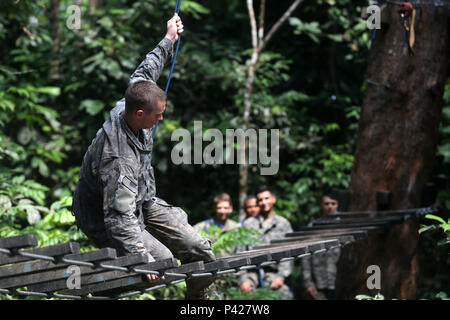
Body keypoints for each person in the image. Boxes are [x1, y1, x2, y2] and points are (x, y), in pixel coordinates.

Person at [71, 14, 216, 300]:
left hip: (142, 201)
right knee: (160, 264)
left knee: (199, 248)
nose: (162, 118)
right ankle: (102, 291)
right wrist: (140, 257)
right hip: (105, 216)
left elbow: (146, 72)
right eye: (158, 115)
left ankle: (198, 299)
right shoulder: (118, 159)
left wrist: (169, 38)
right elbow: (118, 216)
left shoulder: (134, 99)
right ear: (139, 114)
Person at [238, 186, 294, 300]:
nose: (264, 202)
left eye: (266, 198)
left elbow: (290, 253)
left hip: (274, 274)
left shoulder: (283, 224)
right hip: (251, 274)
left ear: (273, 199)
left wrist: (281, 277)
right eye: (260, 200)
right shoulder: (248, 224)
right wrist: (243, 279)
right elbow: (239, 253)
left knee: (285, 295)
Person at [300, 192, 341, 300]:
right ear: (321, 205)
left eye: (333, 203)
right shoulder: (313, 226)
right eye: (326, 204)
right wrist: (308, 282)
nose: (330, 207)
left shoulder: (344, 226)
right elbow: (305, 257)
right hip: (319, 283)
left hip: (341, 281)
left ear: (338, 205)